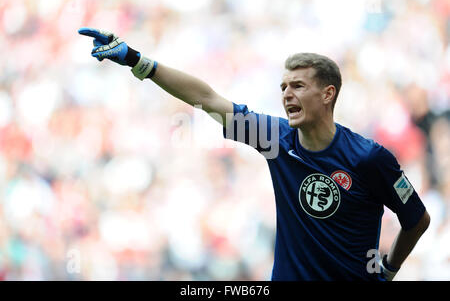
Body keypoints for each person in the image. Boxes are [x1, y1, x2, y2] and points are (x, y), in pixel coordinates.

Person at [78, 27, 430, 281]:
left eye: (298, 86)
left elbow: (417, 218)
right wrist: (139, 62)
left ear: (327, 94)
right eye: (283, 87)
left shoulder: (368, 158)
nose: (287, 95)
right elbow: (210, 100)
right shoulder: (276, 138)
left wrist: (388, 268)